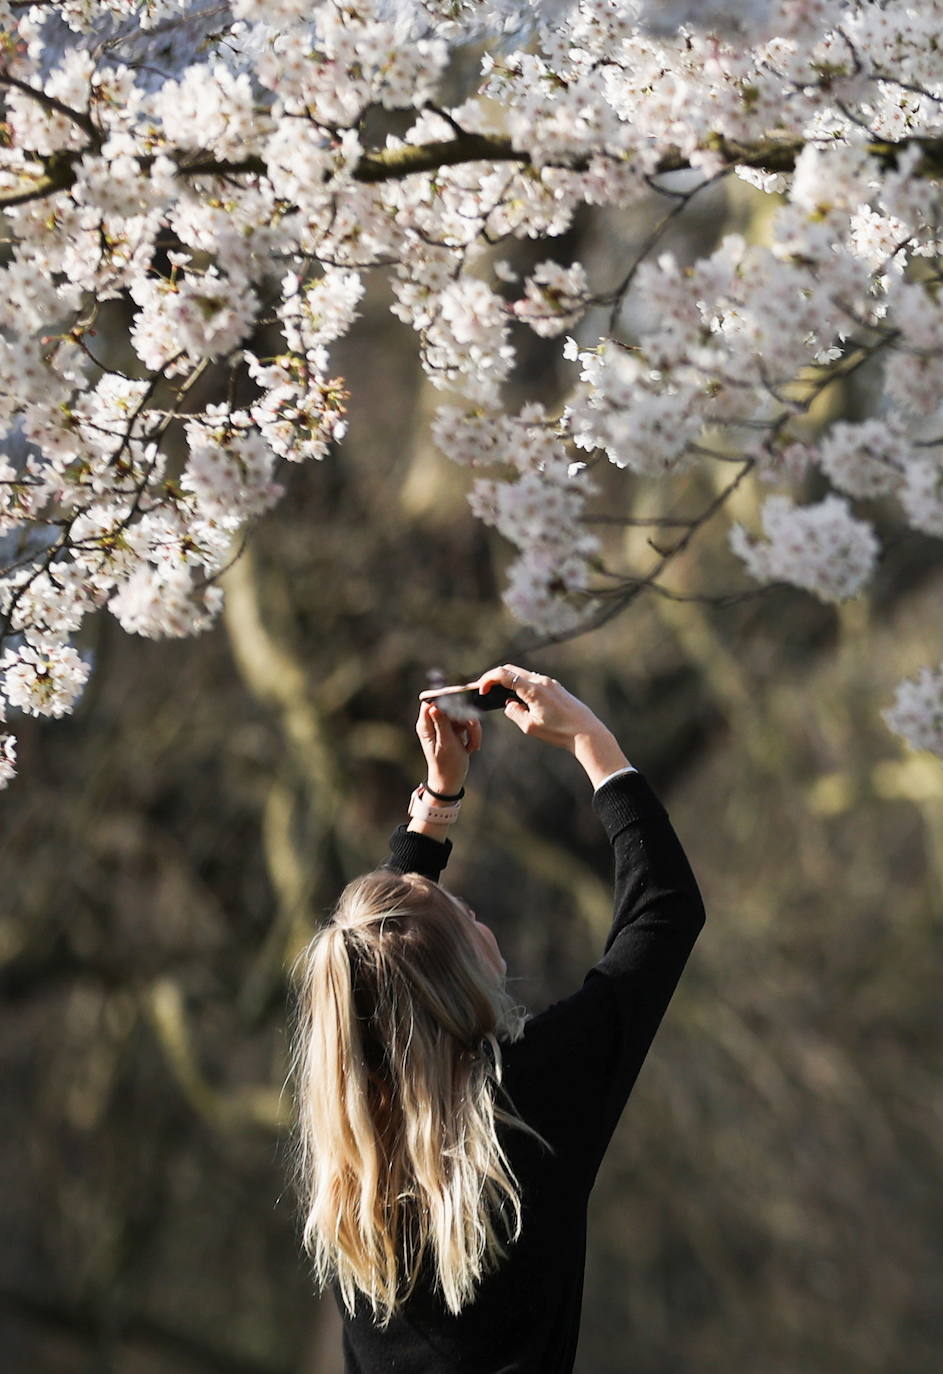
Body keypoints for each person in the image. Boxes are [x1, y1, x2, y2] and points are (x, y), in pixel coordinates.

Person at [291, 665, 706, 1374]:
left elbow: (379, 976)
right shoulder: (524, 1103)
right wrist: (589, 739)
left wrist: (437, 801)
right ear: (456, 972)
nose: (475, 913)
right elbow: (662, 910)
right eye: (465, 916)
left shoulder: (352, 1188)